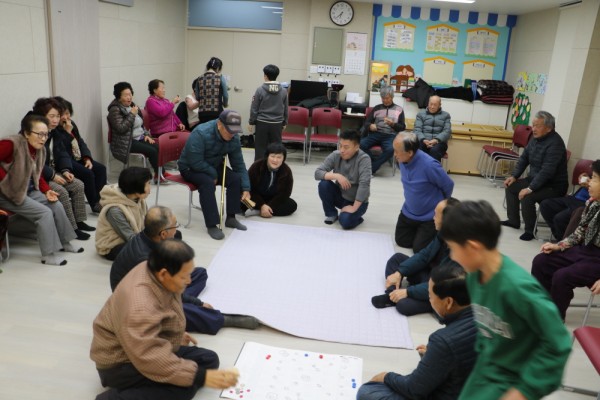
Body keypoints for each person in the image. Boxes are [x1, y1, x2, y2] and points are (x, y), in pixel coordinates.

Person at [440, 200, 572, 400]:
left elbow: (558, 344)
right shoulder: (475, 277)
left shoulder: (518, 288)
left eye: (453, 248)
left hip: (513, 382)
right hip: (485, 372)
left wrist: (525, 390)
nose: (452, 256)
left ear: (473, 247)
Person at [91, 239, 239, 400]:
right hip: (120, 364)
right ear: (163, 274)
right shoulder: (140, 305)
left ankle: (159, 385)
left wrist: (174, 334)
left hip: (139, 346)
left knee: (209, 360)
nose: (189, 281)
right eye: (184, 276)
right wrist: (201, 378)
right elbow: (149, 357)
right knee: (185, 389)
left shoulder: (151, 268)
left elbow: (163, 309)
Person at [111, 206, 260, 333]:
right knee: (177, 310)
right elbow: (165, 292)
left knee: (200, 274)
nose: (176, 229)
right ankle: (219, 319)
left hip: (157, 288)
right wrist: (198, 303)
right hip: (137, 305)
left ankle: (184, 303)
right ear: (163, 234)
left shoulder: (149, 237)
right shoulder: (146, 261)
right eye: (175, 226)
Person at [357, 263, 477, 400]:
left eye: (430, 296)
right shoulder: (483, 316)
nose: (430, 300)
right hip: (472, 389)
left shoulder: (443, 340)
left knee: (367, 392)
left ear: (448, 302)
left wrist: (386, 376)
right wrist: (435, 356)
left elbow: (413, 389)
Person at [0, 114, 83, 265]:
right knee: (44, 213)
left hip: (27, 190)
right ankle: (48, 255)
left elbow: (37, 175)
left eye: (46, 134)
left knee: (56, 205)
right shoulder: (11, 143)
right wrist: (7, 181)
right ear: (26, 133)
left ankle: (65, 243)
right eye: (39, 134)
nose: (43, 138)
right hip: (7, 194)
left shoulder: (39, 149)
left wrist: (46, 191)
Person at [531, 159, 600, 320]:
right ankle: (542, 306)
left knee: (562, 276)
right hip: (585, 250)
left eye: (595, 179)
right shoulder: (593, 204)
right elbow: (580, 232)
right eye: (591, 177)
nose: (589, 183)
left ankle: (554, 319)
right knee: (541, 261)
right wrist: (559, 246)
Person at [371, 198, 460, 316]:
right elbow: (424, 255)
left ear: (446, 221)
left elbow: (441, 285)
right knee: (397, 259)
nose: (433, 217)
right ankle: (392, 295)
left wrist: (408, 292)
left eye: (436, 215)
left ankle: (407, 298)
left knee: (403, 305)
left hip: (438, 291)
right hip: (428, 275)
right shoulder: (442, 234)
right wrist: (399, 273)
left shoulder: (459, 251)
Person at [178, 110, 250, 240]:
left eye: (235, 131)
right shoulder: (200, 133)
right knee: (207, 183)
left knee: (235, 179)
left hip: (213, 165)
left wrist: (246, 188)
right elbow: (195, 162)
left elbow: (239, 165)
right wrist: (213, 174)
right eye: (229, 130)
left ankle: (231, 218)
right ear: (219, 124)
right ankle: (212, 225)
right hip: (190, 167)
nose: (232, 134)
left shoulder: (233, 137)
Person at [502, 111, 569, 241]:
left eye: (538, 126)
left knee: (528, 196)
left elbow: (547, 171)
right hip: (536, 180)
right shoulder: (535, 139)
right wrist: (514, 176)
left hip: (553, 186)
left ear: (549, 128)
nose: (533, 129)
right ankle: (513, 221)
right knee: (511, 187)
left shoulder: (555, 144)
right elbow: (524, 158)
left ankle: (530, 230)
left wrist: (530, 188)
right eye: (533, 125)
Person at [32, 97, 92, 240]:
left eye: (57, 116)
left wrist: (65, 170)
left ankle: (79, 221)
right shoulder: (35, 133)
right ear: (42, 116)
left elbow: (62, 154)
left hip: (53, 171)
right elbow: (33, 163)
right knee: (62, 192)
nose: (56, 120)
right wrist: (53, 175)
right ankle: (71, 228)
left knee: (78, 185)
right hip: (39, 176)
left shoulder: (54, 132)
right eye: (51, 116)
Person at [393, 132, 454, 252]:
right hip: (409, 211)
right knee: (401, 241)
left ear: (410, 153)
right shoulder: (401, 159)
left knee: (419, 249)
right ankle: (421, 233)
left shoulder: (430, 165)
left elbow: (448, 185)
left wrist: (442, 208)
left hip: (429, 216)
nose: (394, 154)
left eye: (397, 151)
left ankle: (440, 231)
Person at [53, 96, 107, 214]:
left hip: (77, 157)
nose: (66, 117)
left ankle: (101, 200)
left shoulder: (71, 124)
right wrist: (67, 133)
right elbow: (61, 150)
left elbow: (80, 142)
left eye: (68, 113)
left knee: (101, 169)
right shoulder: (54, 129)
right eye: (63, 114)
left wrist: (87, 158)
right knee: (88, 174)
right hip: (65, 161)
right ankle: (94, 204)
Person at [315, 129, 371, 230]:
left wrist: (354, 208)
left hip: (357, 202)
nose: (342, 150)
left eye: (346, 147)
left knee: (345, 222)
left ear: (357, 147)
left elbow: (364, 185)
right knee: (324, 184)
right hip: (341, 196)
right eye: (340, 146)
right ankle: (331, 214)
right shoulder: (336, 155)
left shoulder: (364, 159)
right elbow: (317, 173)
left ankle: (357, 217)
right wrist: (337, 176)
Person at [107, 81, 163, 181]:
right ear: (119, 97)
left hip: (139, 138)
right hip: (125, 142)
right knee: (152, 151)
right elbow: (121, 128)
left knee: (158, 146)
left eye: (130, 94)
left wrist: (146, 135)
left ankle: (160, 174)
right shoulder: (114, 110)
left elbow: (141, 125)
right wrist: (132, 114)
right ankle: (159, 175)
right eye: (126, 95)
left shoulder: (132, 106)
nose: (129, 97)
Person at [96, 166, 151, 261]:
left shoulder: (137, 198)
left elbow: (147, 224)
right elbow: (130, 237)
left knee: (171, 234)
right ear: (137, 190)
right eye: (148, 184)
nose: (150, 188)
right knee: (148, 251)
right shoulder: (115, 210)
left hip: (135, 237)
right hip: (113, 246)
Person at [359, 85, 405, 175]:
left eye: (387, 98)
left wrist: (392, 124)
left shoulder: (399, 109)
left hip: (390, 135)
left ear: (392, 96)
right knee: (360, 144)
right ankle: (375, 161)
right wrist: (370, 125)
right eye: (383, 98)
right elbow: (366, 122)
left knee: (390, 149)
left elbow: (402, 127)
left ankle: (372, 167)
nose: (385, 100)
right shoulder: (377, 108)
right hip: (376, 134)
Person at [244, 142, 297, 218]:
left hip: (272, 200)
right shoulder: (257, 166)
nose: (275, 160)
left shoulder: (286, 171)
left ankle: (259, 211)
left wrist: (269, 205)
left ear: (283, 159)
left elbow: (285, 193)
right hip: (256, 198)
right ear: (267, 156)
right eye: (272, 156)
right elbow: (250, 189)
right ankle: (263, 210)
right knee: (242, 198)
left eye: (279, 157)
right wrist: (262, 205)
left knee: (292, 205)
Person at [248, 64, 288, 161]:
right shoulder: (283, 91)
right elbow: (285, 108)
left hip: (262, 123)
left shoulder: (260, 90)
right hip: (277, 123)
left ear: (265, 76)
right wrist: (285, 122)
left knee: (260, 149)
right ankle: (275, 167)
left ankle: (259, 168)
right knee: (276, 149)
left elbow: (254, 108)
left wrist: (251, 122)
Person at [539, 171, 590, 240]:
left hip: (586, 203)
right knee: (545, 205)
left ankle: (563, 242)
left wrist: (590, 184)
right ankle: (560, 236)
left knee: (559, 218)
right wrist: (586, 178)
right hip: (574, 198)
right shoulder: (596, 169)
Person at [413, 95, 451, 162]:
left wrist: (436, 140)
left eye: (435, 105)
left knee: (434, 151)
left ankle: (433, 169)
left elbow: (447, 131)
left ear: (439, 105)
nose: (432, 107)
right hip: (423, 141)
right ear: (428, 103)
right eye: (431, 104)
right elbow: (417, 130)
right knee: (419, 150)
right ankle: (420, 168)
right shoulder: (420, 114)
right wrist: (423, 140)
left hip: (439, 143)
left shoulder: (446, 115)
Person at [193, 56, 229, 124]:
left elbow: (197, 97)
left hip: (202, 113)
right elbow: (225, 95)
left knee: (205, 129)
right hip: (216, 112)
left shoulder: (199, 79)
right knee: (216, 130)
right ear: (218, 68)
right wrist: (225, 104)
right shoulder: (220, 78)